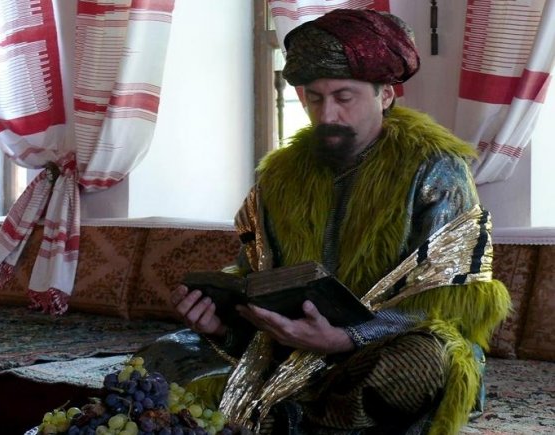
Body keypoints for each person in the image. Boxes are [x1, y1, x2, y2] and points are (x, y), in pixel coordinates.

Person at [152, 9, 510, 435]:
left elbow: (446, 299)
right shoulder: (279, 177)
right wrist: (221, 322)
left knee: (424, 361)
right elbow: (256, 278)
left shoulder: (436, 167)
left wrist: (344, 339)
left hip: (379, 349)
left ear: (385, 96)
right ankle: (307, 416)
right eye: (315, 98)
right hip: (286, 349)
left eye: (344, 97)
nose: (327, 115)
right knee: (163, 355)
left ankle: (294, 419)